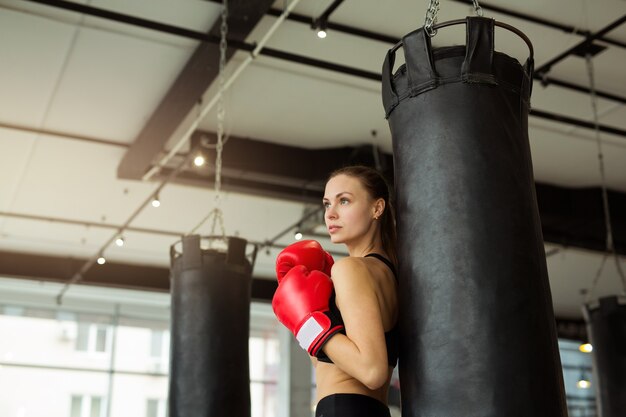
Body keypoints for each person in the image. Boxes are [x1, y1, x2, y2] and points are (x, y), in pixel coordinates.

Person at [272, 165, 399, 417]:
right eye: (327, 204)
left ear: (377, 208)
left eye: (344, 201)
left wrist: (308, 324)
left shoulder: (350, 269)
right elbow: (328, 366)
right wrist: (313, 319)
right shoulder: (388, 273)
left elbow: (372, 371)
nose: (330, 214)